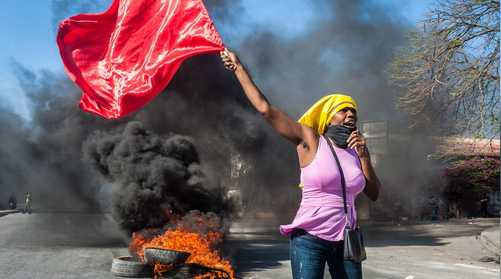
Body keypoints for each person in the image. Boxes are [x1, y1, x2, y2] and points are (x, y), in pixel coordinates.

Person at [221, 49, 381, 279]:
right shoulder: (311, 140)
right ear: (328, 116)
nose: (350, 114)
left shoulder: (356, 151)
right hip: (310, 238)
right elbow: (266, 110)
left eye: (353, 111)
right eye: (343, 110)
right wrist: (238, 68)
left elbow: (374, 193)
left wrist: (365, 156)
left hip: (348, 238)